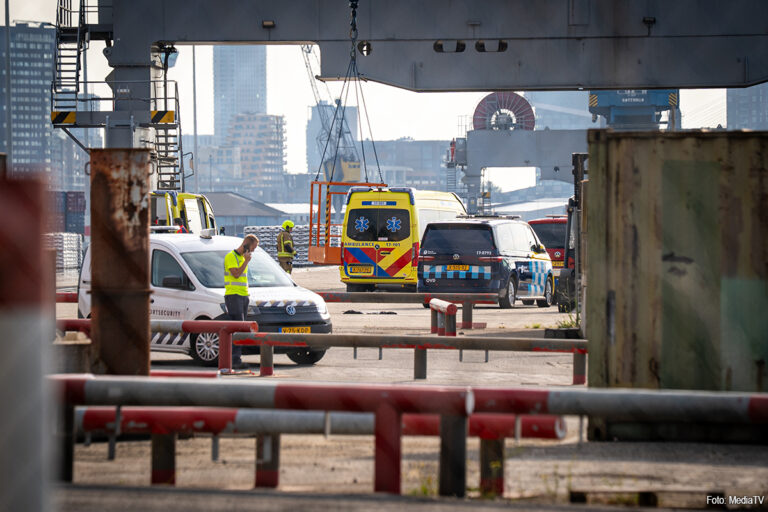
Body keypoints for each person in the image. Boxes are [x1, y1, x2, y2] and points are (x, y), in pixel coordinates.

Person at [224, 234, 259, 369]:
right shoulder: (231, 257)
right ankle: (234, 359)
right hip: (234, 296)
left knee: (242, 328)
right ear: (247, 245)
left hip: (243, 295)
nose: (253, 251)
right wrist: (246, 262)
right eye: (253, 247)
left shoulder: (242, 258)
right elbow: (236, 274)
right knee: (237, 328)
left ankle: (236, 358)